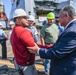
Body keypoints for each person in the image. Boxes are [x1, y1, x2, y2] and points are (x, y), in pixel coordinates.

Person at [27, 5, 76, 75]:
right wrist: (44, 46)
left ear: (66, 16)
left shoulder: (72, 31)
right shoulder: (71, 28)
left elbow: (57, 53)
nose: (58, 19)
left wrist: (38, 51)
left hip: (64, 70)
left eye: (59, 17)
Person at [10, 8, 38, 75]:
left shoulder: (14, 31)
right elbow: (34, 48)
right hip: (27, 65)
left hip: (18, 62)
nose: (27, 20)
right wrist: (49, 47)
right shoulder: (24, 32)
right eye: (25, 18)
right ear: (18, 20)